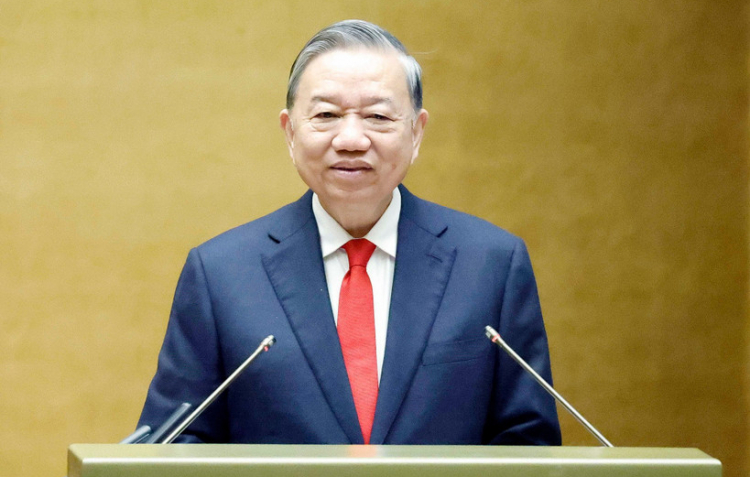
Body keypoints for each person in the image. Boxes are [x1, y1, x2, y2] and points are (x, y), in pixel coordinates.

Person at [138, 19, 561, 446]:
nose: (352, 139)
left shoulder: (492, 265)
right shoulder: (220, 274)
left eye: (378, 116)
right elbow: (173, 446)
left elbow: (528, 445)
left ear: (416, 133)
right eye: (327, 115)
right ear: (290, 132)